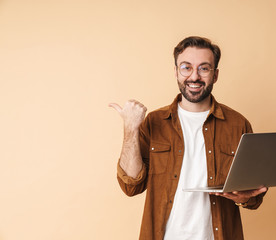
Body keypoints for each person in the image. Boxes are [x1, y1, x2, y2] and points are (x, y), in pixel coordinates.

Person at [109, 36, 267, 240]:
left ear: (215, 75)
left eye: (204, 68)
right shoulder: (154, 122)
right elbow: (131, 186)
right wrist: (130, 128)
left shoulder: (238, 124)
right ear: (176, 71)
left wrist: (246, 197)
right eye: (186, 67)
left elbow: (254, 198)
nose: (194, 76)